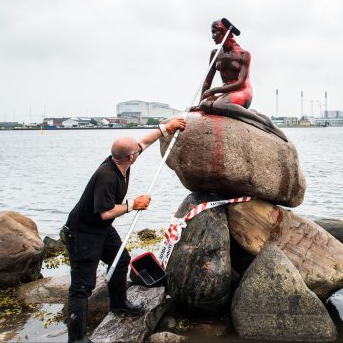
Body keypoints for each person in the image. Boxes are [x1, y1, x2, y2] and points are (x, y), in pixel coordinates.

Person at [63, 117, 186, 343]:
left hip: (100, 229)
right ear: (130, 157)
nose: (139, 150)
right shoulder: (107, 176)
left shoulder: (122, 161)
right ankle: (76, 338)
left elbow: (143, 143)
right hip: (82, 232)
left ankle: (119, 304)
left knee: (121, 260)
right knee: (82, 286)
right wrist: (133, 205)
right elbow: (106, 212)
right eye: (135, 151)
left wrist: (166, 129)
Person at [196, 19, 288, 142]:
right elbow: (207, 81)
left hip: (242, 91)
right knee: (205, 104)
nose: (213, 36)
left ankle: (264, 122)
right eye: (212, 33)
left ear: (224, 32)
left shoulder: (244, 54)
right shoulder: (215, 54)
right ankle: (245, 112)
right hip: (226, 92)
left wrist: (215, 90)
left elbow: (240, 82)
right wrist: (199, 103)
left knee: (219, 105)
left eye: (215, 32)